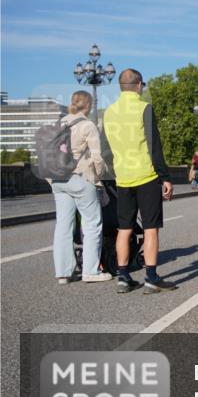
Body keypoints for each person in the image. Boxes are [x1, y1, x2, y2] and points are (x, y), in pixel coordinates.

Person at [103, 69, 177, 294]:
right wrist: (165, 177)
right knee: (150, 228)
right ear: (138, 85)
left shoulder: (109, 112)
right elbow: (154, 146)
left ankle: (123, 277)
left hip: (122, 178)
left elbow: (106, 149)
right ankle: (151, 278)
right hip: (146, 176)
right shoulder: (145, 108)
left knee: (124, 229)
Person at [49, 91, 111, 284]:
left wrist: (51, 180)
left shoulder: (59, 124)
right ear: (89, 105)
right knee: (92, 224)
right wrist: (99, 176)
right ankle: (90, 271)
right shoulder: (87, 125)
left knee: (63, 225)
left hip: (58, 180)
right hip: (80, 178)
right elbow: (97, 157)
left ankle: (63, 273)